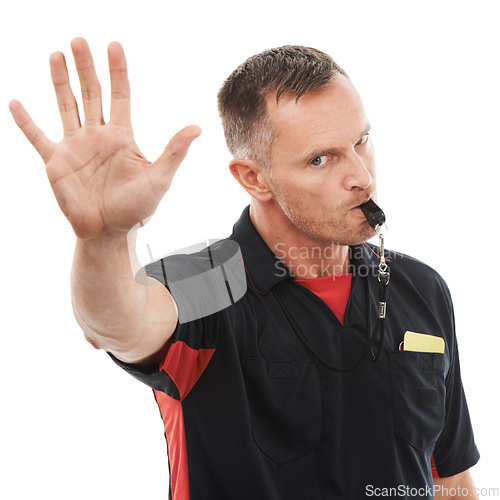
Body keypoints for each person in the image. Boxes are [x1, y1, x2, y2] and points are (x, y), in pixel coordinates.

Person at [10, 38, 480, 500]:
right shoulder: (208, 282)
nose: (362, 175)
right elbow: (117, 324)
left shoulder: (420, 287)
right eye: (321, 159)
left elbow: (449, 480)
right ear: (253, 178)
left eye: (361, 141)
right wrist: (105, 240)